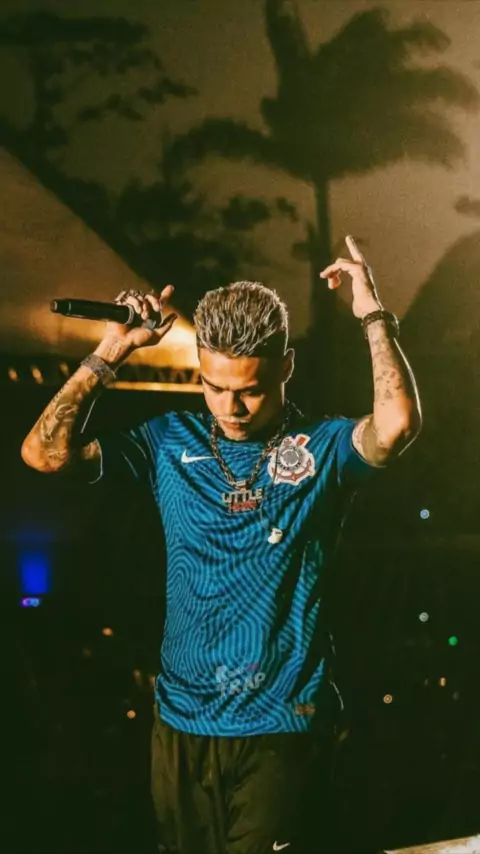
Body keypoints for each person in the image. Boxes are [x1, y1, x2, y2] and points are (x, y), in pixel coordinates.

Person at [21, 235, 422, 854]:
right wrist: (110, 351)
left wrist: (372, 313)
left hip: (283, 726)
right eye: (214, 386)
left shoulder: (321, 449)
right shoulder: (166, 441)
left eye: (250, 389)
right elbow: (44, 454)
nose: (231, 407)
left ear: (286, 367)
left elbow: (395, 425)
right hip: (181, 724)